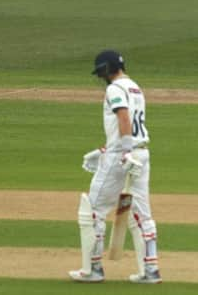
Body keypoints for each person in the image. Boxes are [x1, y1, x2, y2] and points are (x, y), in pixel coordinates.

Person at [69, 50, 161, 284]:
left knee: (93, 210)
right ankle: (150, 270)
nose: (102, 78)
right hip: (141, 154)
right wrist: (104, 150)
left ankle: (93, 269)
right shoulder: (135, 88)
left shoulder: (114, 89)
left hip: (123, 156)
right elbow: (127, 125)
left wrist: (124, 150)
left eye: (102, 72)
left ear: (107, 69)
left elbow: (123, 118)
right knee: (142, 214)